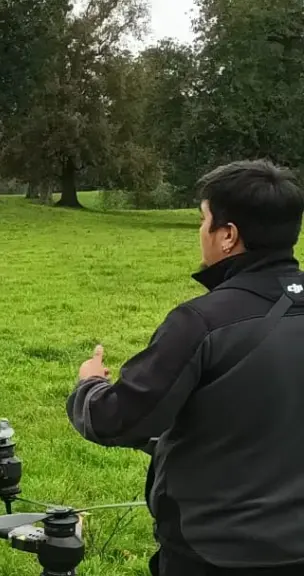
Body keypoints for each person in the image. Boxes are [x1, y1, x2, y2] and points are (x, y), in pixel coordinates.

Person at [66, 159, 304, 576]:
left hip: (214, 552)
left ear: (228, 235)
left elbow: (116, 420)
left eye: (203, 220)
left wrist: (88, 386)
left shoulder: (203, 322)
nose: (201, 232)